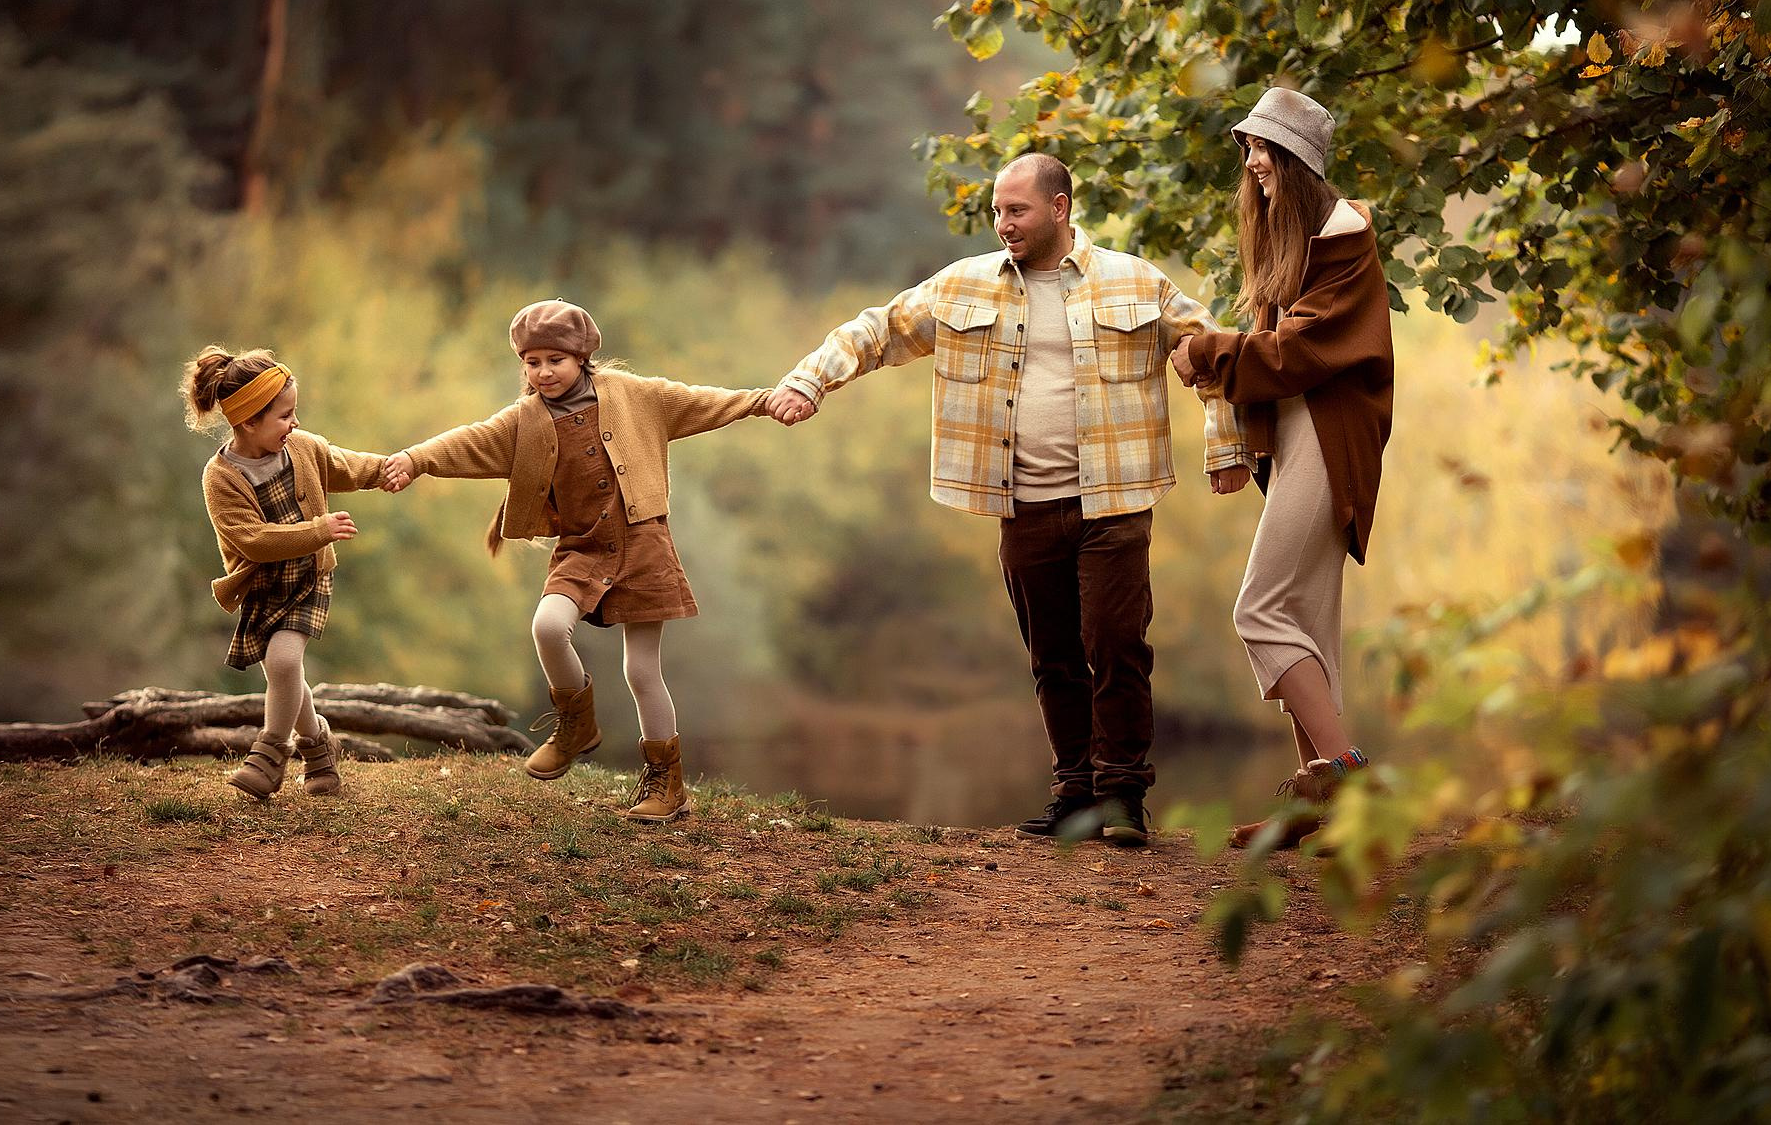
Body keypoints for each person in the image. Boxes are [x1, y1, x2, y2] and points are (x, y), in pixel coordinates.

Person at [766, 154, 1250, 845]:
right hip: (1021, 502)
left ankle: (1122, 797)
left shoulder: (1135, 281)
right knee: (1051, 654)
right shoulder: (966, 285)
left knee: (1115, 646)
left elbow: (1212, 352)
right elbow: (874, 331)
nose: (1003, 224)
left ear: (1059, 208)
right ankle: (1074, 794)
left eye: (1016, 211)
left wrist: (1225, 445)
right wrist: (809, 381)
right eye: (997, 211)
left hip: (1113, 499)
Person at [381, 300, 769, 825]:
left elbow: (700, 402)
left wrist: (764, 401)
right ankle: (576, 724)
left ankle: (666, 782)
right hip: (581, 548)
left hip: (642, 542)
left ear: (582, 357)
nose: (543, 372)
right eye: (532, 362)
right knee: (547, 626)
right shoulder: (524, 422)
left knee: (641, 670)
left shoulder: (635, 396)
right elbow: (470, 440)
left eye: (554, 361)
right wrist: (414, 459)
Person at [1169, 87, 1394, 849]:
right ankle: (1316, 808)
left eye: (1266, 148)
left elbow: (1296, 355)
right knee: (1306, 625)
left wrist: (1205, 350)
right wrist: (1233, 434)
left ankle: (1345, 773)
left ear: (1300, 160)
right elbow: (1274, 354)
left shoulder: (1341, 235)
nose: (1254, 161)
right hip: (1302, 431)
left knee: (1260, 610)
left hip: (1332, 437)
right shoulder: (1290, 237)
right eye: (1249, 147)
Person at [182, 346, 391, 800]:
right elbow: (252, 540)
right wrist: (319, 528)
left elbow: (345, 464)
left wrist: (389, 469)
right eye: (284, 415)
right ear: (248, 423)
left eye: (294, 412)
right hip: (264, 584)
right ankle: (320, 754)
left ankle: (269, 755)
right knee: (286, 675)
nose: (294, 423)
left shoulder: (302, 447)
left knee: (281, 663)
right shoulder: (220, 477)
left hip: (310, 577)